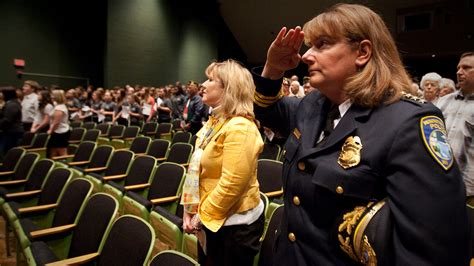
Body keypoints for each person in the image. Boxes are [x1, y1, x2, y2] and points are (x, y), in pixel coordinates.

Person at [252, 3, 468, 265]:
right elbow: (267, 112)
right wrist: (273, 69)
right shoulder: (313, 105)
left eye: (322, 44)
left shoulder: (407, 121)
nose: (307, 56)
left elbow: (429, 249)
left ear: (362, 52)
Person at [181, 60, 264, 265]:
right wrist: (188, 210)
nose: (203, 84)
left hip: (234, 227)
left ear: (229, 88)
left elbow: (232, 184)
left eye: (211, 79)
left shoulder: (240, 127)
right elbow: (196, 170)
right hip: (211, 218)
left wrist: (200, 217)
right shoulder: (215, 121)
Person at [436, 52, 474, 203]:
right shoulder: (443, 101)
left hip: (469, 189)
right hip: (439, 182)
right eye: (458, 68)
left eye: (466, 68)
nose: (459, 72)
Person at [0, 87, 23, 158]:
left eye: (1, 93)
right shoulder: (10, 103)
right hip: (10, 131)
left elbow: (7, 120)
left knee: (8, 153)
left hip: (12, 132)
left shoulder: (12, 104)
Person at [47, 90, 70, 158]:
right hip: (56, 131)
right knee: (53, 151)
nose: (51, 96)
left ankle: (66, 167)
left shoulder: (60, 108)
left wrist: (50, 130)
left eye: (52, 95)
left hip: (61, 132)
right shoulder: (57, 105)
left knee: (61, 152)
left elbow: (56, 122)